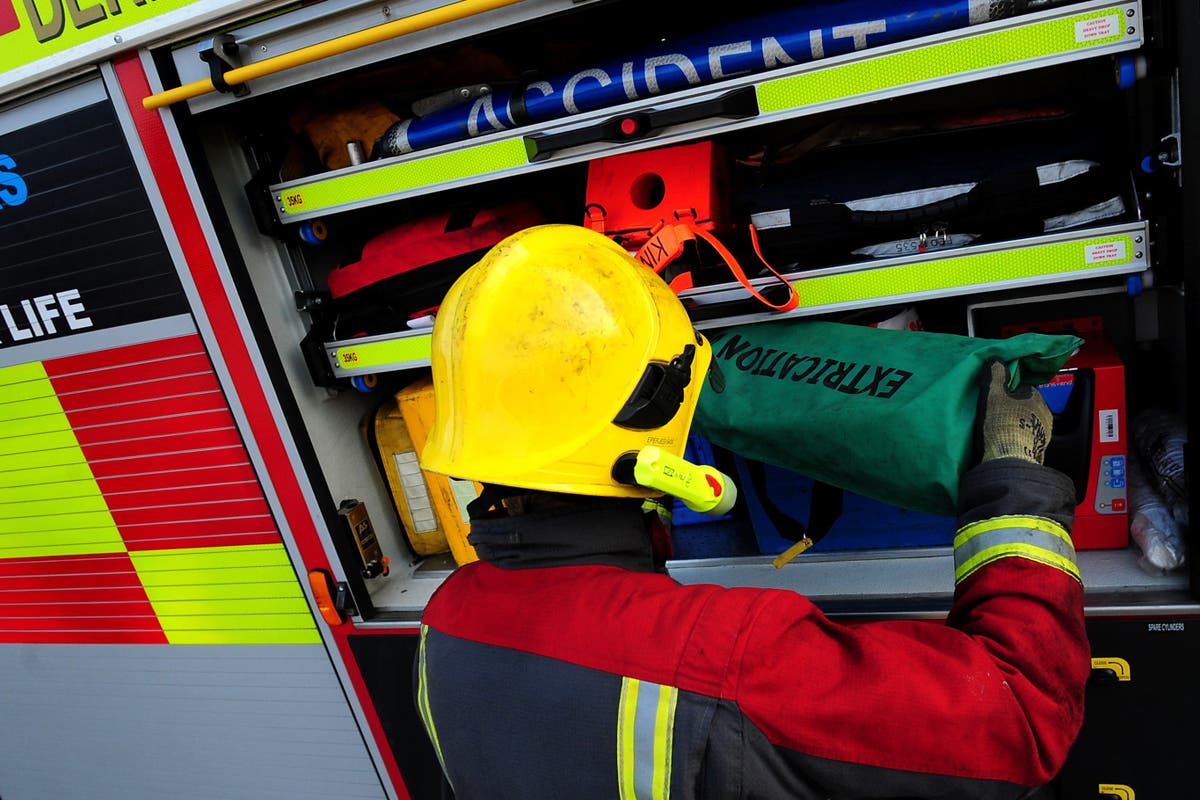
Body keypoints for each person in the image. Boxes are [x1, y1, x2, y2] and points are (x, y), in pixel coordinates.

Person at [413, 224, 1090, 799]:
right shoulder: (724, 655)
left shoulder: (444, 622)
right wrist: (1014, 489)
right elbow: (1019, 713)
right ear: (654, 419)